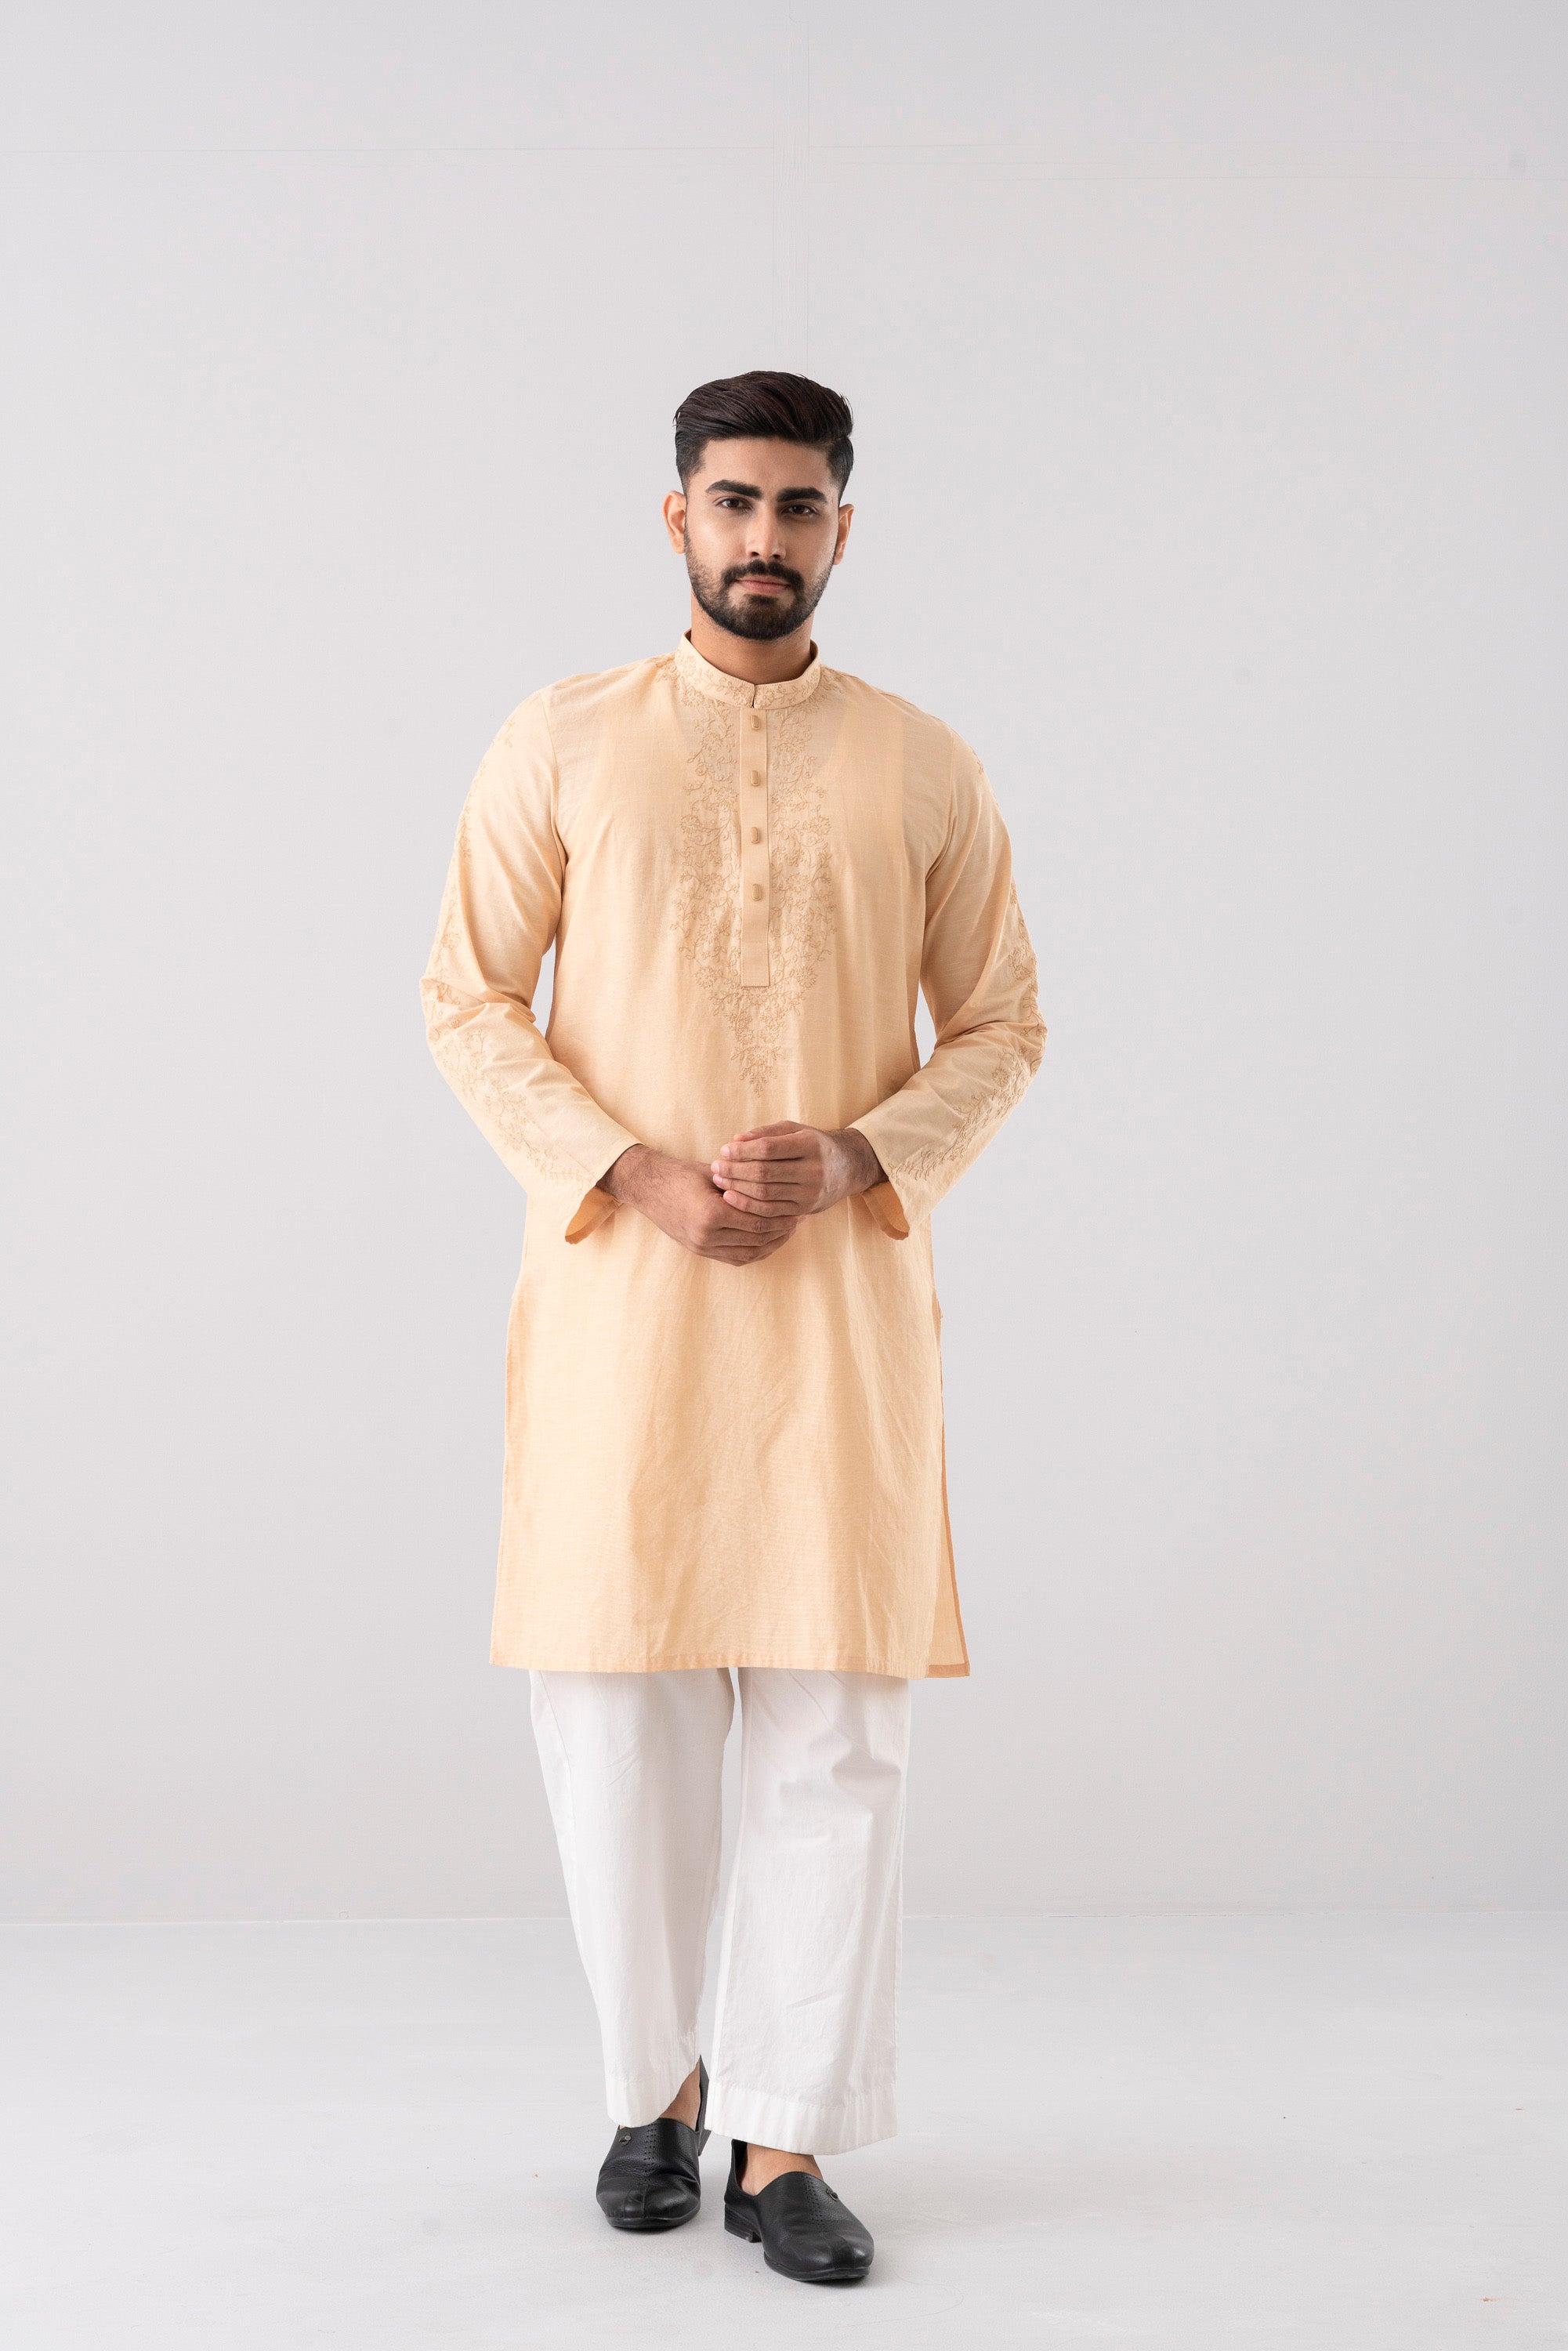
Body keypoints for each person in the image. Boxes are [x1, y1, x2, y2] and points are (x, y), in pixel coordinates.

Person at [418, 370, 1045, 2286]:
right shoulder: (560, 739)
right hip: (624, 1301)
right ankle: (657, 2088)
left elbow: (1002, 1024)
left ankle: (784, 2139)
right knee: (613, 1716)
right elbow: (466, 1000)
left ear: (842, 527)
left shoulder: (921, 765)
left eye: (795, 505)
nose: (761, 537)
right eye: (730, 501)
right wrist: (627, 1170)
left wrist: (859, 1153)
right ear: (675, 516)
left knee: (832, 1726)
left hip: (839, 1316)